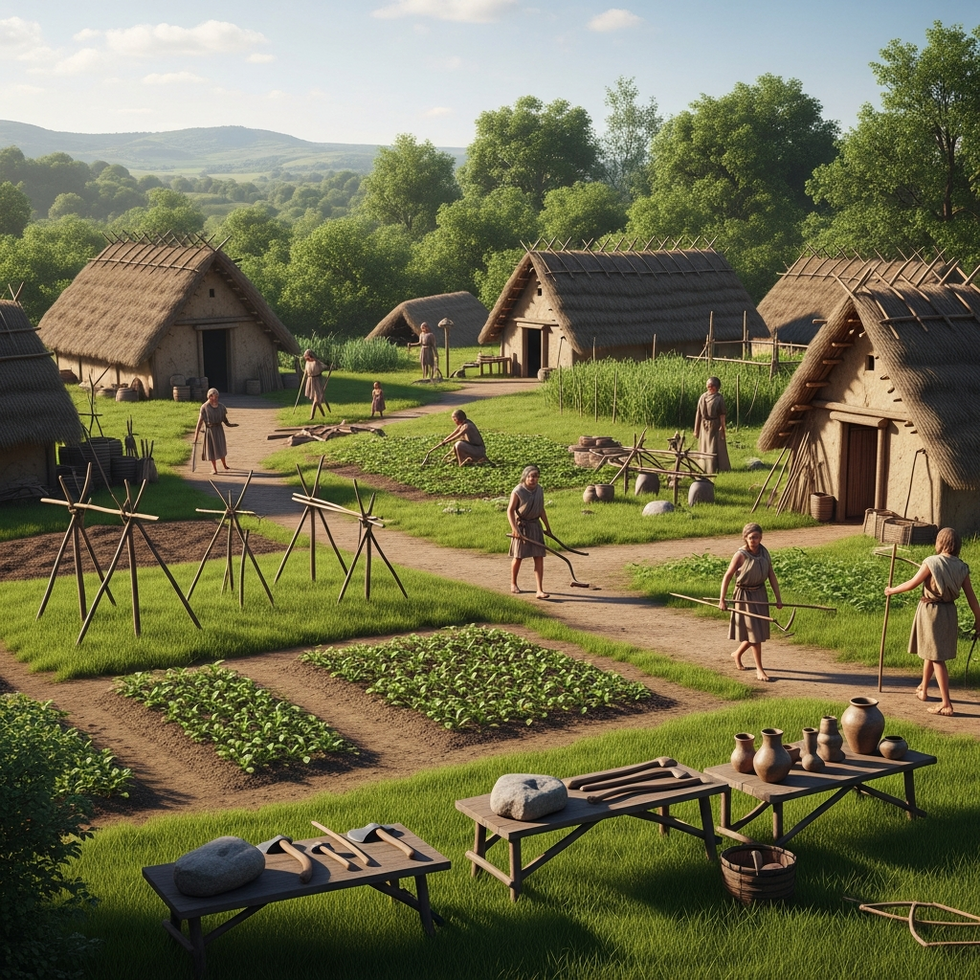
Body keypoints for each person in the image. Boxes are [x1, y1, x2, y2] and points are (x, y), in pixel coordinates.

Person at [885, 527, 980, 717]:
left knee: (937, 657)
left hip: (931, 612)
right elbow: (971, 598)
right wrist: (979, 619)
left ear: (941, 543)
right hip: (949, 613)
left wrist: (891, 590)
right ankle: (924, 689)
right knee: (931, 650)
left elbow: (912, 584)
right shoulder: (962, 567)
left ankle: (946, 704)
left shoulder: (931, 562)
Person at [719, 522, 783, 682]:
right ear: (745, 539)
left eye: (756, 537)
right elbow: (727, 576)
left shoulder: (764, 552)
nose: (753, 540)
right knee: (754, 634)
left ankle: (737, 654)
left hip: (760, 594)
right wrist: (722, 599)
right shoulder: (740, 555)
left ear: (761, 537)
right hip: (744, 595)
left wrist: (778, 598)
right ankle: (760, 670)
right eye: (750, 537)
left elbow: (771, 575)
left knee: (757, 631)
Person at [507, 464, 552, 599]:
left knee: (539, 557)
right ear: (525, 477)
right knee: (519, 556)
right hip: (522, 526)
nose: (533, 479)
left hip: (535, 526)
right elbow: (510, 511)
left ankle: (539, 590)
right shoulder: (518, 491)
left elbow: (541, 509)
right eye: (530, 476)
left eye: (536, 476)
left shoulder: (539, 490)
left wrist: (548, 528)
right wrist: (515, 530)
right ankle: (513, 583)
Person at [194, 388, 238, 474]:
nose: (216, 399)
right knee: (212, 450)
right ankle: (214, 468)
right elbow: (199, 423)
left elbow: (225, 420)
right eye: (215, 397)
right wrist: (196, 436)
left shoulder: (221, 407)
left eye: (217, 397)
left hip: (219, 429)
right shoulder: (204, 407)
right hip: (210, 431)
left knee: (221, 447)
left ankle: (224, 465)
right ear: (210, 397)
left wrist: (231, 425)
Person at [694, 376, 731, 473]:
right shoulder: (703, 397)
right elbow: (698, 413)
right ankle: (704, 466)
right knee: (704, 445)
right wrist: (696, 429)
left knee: (713, 447)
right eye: (707, 385)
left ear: (715, 387)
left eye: (710, 385)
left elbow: (722, 414)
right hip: (704, 425)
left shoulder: (719, 398)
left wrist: (722, 427)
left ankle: (714, 467)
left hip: (714, 425)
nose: (708, 387)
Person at [302, 349, 329, 420]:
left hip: (317, 381)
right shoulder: (307, 363)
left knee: (317, 399)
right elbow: (306, 371)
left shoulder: (317, 362)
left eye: (307, 356)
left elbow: (325, 367)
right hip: (310, 381)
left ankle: (312, 416)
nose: (306, 358)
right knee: (315, 398)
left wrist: (329, 368)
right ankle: (323, 414)